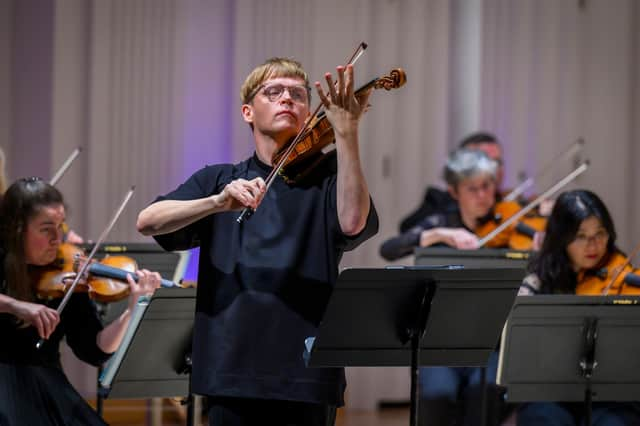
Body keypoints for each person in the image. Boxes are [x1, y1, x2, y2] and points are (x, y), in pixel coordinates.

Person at [136, 57, 378, 425]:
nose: (287, 99)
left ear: (309, 112)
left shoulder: (331, 176)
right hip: (231, 368)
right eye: (274, 91)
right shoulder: (221, 179)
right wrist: (216, 203)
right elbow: (148, 222)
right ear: (247, 112)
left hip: (306, 370)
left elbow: (352, 222)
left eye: (298, 94)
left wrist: (346, 135)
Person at [0, 177, 161, 425]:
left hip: (46, 382)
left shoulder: (68, 278)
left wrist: (133, 309)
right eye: (46, 228)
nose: (58, 238)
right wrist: (16, 305)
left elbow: (95, 350)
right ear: (17, 229)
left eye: (61, 225)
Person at [517, 189, 640, 425]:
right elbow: (517, 317)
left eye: (600, 234)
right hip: (553, 392)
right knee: (543, 419)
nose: (593, 245)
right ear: (562, 238)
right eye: (581, 236)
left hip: (612, 395)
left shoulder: (621, 275)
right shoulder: (541, 275)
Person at [381, 148, 510, 261]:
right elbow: (388, 250)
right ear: (454, 192)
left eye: (486, 186)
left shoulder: (506, 218)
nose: (481, 195)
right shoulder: (443, 221)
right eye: (472, 189)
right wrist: (438, 235)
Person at [399, 132, 504, 233]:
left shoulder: (505, 205)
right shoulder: (438, 204)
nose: (494, 168)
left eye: (497, 162)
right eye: (481, 159)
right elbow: (406, 230)